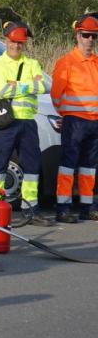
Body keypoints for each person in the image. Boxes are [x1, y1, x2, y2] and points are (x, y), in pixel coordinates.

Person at [0, 21, 53, 225]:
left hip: (28, 122)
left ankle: (30, 209)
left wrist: (16, 85)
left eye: (20, 43)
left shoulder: (32, 63)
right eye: (13, 42)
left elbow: (44, 85)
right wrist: (29, 85)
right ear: (6, 40)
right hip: (6, 122)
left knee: (32, 167)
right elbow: (3, 90)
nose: (16, 46)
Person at [50, 12, 98, 223]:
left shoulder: (96, 62)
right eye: (86, 35)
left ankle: (87, 207)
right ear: (78, 35)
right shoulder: (66, 62)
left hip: (94, 122)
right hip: (75, 121)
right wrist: (66, 114)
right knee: (68, 166)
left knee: (89, 167)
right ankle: (63, 208)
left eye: (94, 36)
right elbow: (56, 95)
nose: (90, 40)